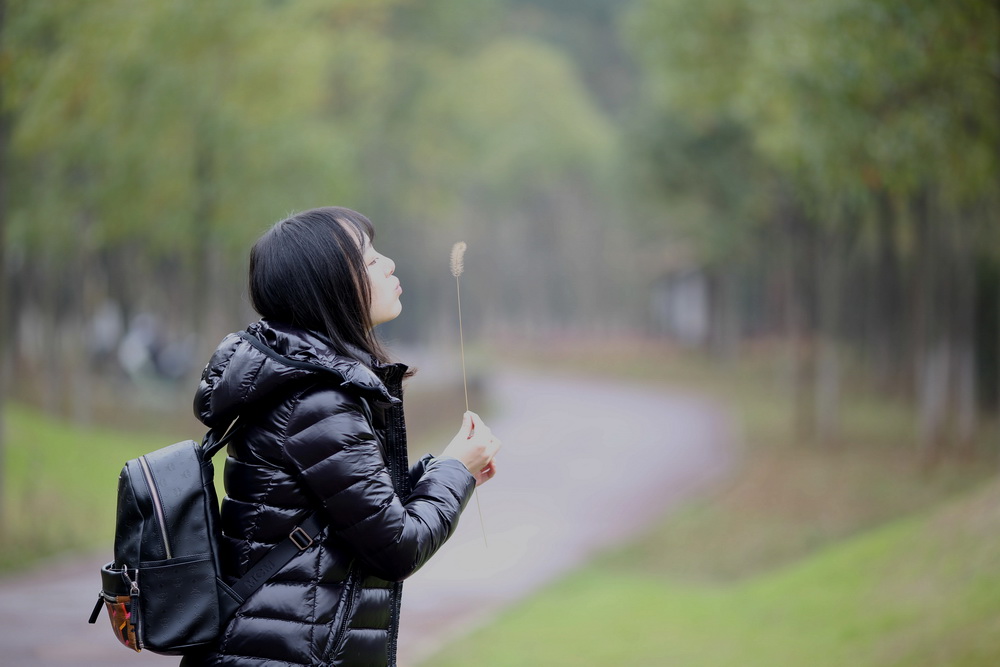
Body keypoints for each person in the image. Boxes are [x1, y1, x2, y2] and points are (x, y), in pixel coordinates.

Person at [180, 206, 501, 667]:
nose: (388, 264)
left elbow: (349, 511)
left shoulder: (303, 385)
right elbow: (395, 546)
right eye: (370, 260)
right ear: (326, 287)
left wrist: (449, 469)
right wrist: (455, 472)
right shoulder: (318, 400)